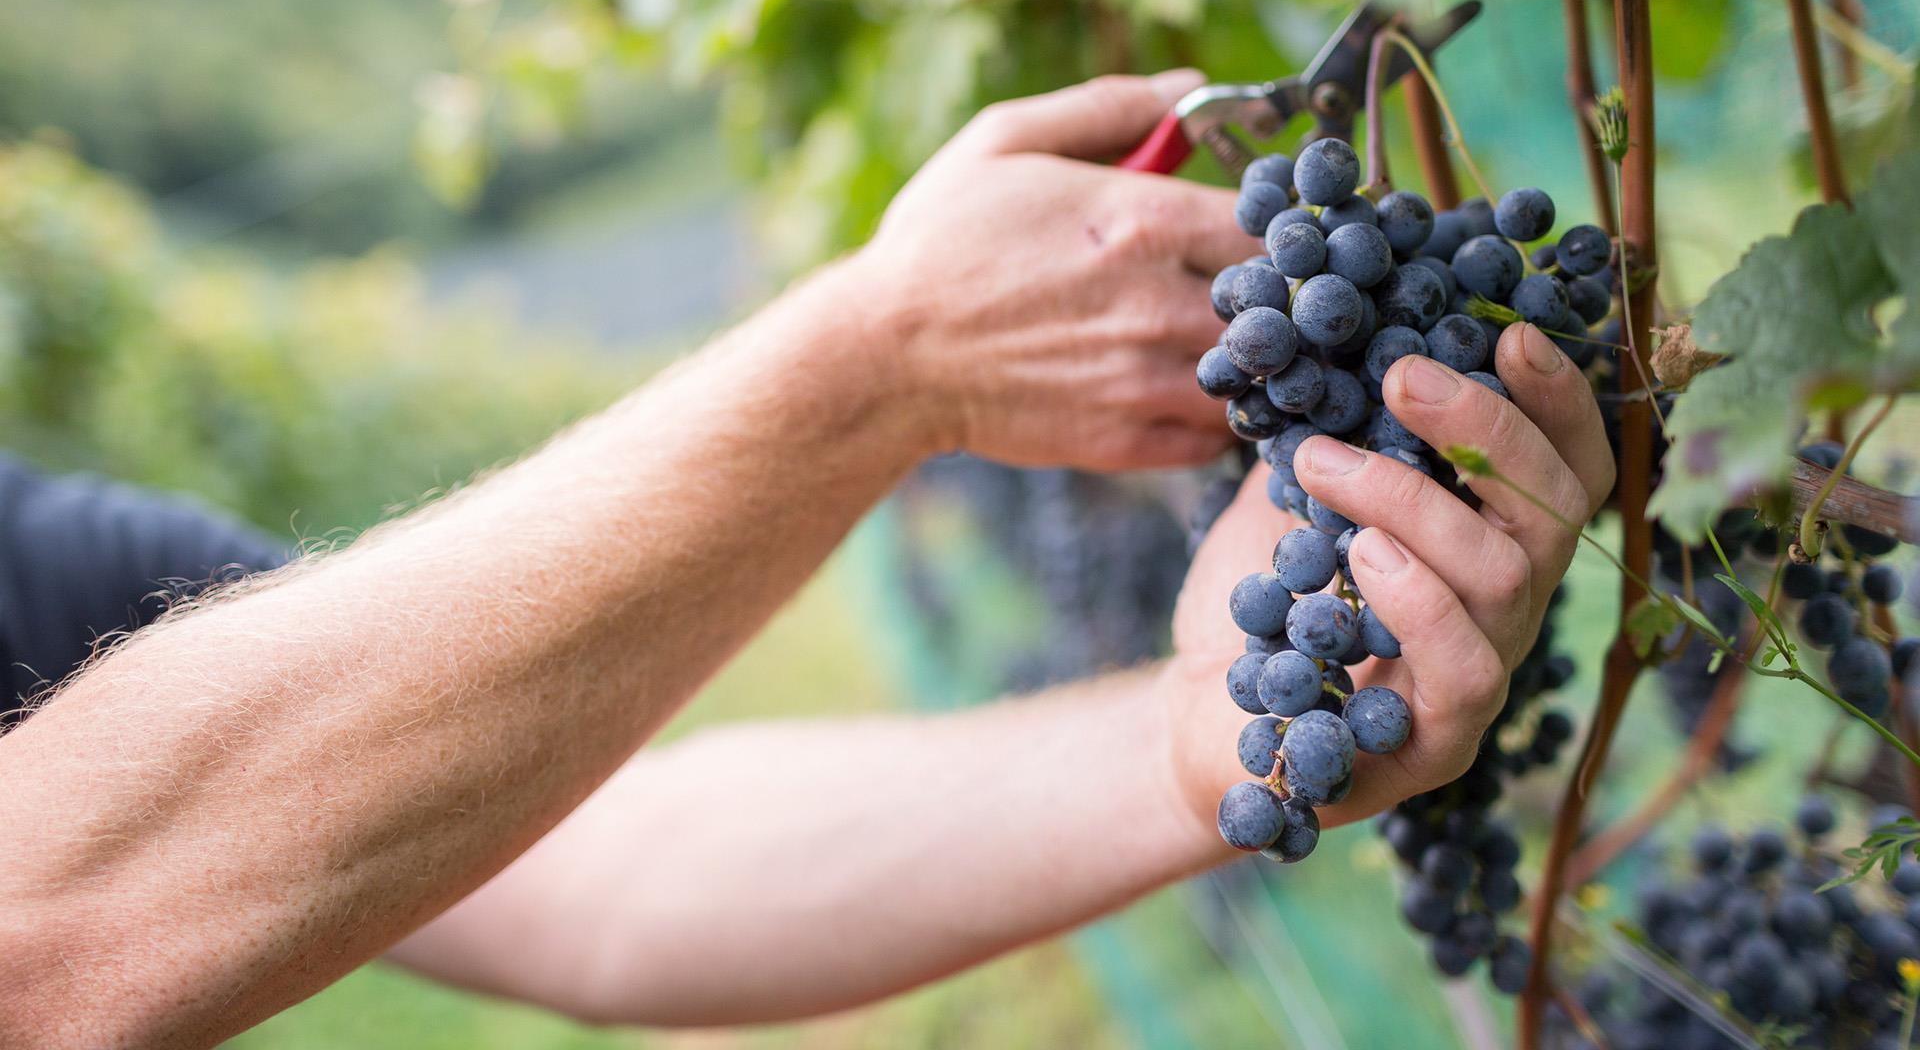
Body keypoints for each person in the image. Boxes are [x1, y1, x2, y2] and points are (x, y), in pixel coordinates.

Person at [0, 72, 1612, 1047]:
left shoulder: (54, 561)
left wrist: (1195, 744)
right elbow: (44, 951)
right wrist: (878, 363)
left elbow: (587, 874)